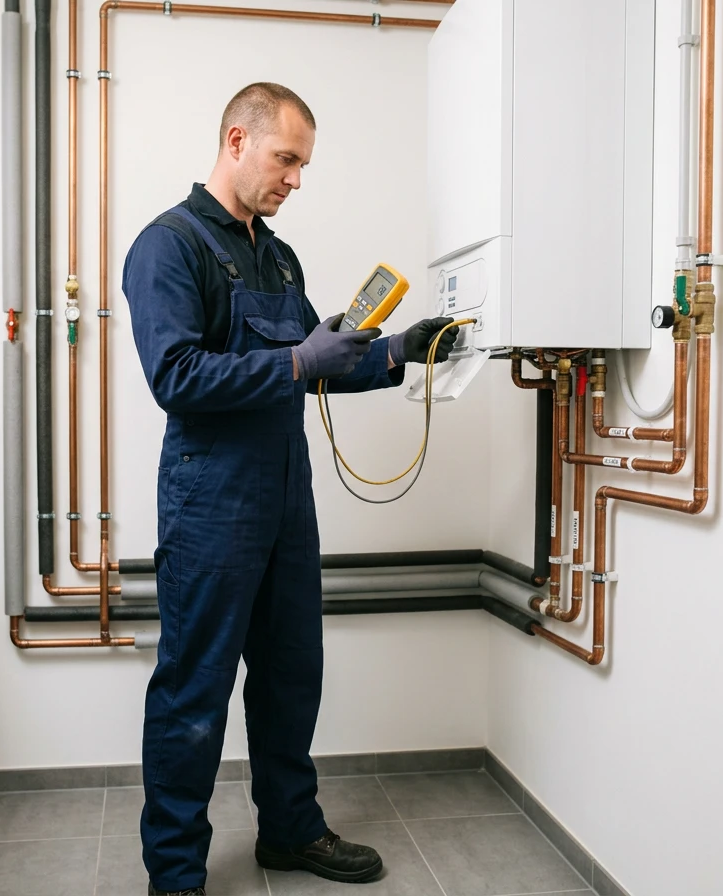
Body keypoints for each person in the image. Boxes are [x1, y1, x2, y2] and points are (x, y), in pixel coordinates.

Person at [122, 82, 457, 896]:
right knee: (194, 689)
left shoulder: (277, 257)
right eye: (286, 159)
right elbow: (176, 377)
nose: (295, 179)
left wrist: (399, 351)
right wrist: (300, 360)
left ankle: (290, 829)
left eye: (302, 164)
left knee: (290, 673)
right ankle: (175, 872)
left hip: (284, 500)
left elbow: (319, 364)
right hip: (210, 503)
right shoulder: (168, 246)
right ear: (237, 141)